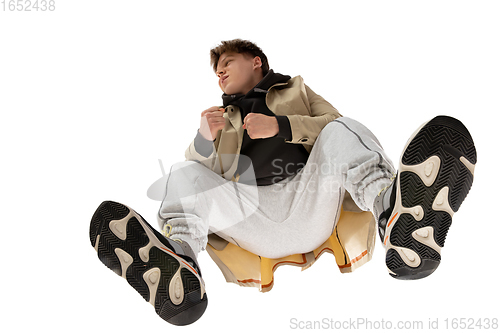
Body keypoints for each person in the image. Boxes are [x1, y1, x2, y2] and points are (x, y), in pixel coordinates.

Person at [89, 39, 477, 326]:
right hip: (249, 214)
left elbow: (335, 123)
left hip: (310, 200)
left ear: (256, 62)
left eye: (227, 63)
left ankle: (393, 213)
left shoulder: (297, 89)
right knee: (180, 172)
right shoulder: (220, 117)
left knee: (344, 130)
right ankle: (181, 259)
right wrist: (203, 139)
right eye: (216, 71)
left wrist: (283, 125)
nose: (220, 73)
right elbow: (197, 181)